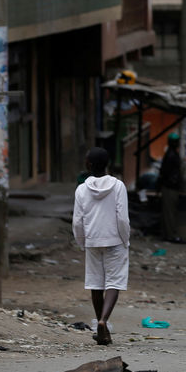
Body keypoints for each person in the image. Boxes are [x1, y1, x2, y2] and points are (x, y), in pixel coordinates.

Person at [72, 147, 130, 345]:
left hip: (92, 240)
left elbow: (77, 221)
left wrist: (82, 241)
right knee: (114, 282)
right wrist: (125, 239)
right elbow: (122, 218)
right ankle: (104, 321)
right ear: (108, 164)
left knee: (96, 283)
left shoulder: (81, 189)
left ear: (88, 164)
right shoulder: (118, 186)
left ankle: (101, 326)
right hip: (114, 239)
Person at [158, 132, 186, 244]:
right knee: (169, 213)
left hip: (170, 187)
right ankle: (169, 235)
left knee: (168, 212)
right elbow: (167, 173)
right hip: (170, 188)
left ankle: (167, 234)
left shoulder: (171, 154)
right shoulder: (171, 155)